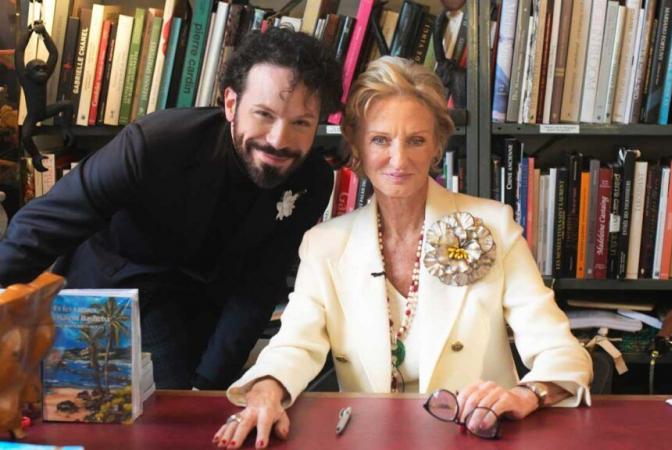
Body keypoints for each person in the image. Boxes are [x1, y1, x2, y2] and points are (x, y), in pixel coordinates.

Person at [212, 56, 593, 449]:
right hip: (368, 440)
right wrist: (266, 391)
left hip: (479, 439)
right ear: (356, 144)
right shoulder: (325, 244)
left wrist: (527, 395)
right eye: (380, 140)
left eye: (416, 140)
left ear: (436, 146)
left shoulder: (493, 226)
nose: (399, 160)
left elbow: (560, 351)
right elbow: (295, 343)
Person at [0, 28, 343, 390]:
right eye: (263, 114)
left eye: (300, 123)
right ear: (231, 104)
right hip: (112, 283)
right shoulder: (157, 142)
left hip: (197, 308)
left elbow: (259, 287)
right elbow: (46, 223)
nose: (279, 139)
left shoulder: (314, 181)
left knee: (183, 413)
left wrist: (208, 384)